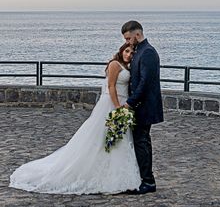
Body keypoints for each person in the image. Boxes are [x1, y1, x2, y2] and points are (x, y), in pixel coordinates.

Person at [9, 44, 140, 194]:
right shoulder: (114, 64)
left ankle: (117, 174)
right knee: (100, 136)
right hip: (112, 104)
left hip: (123, 103)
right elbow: (110, 87)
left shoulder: (126, 67)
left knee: (117, 139)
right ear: (121, 51)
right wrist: (117, 108)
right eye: (127, 51)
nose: (129, 54)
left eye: (132, 53)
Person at [121, 20, 163, 194]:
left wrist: (130, 102)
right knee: (140, 142)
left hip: (144, 107)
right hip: (140, 105)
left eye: (129, 38)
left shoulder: (148, 53)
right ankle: (141, 178)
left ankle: (148, 181)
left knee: (142, 142)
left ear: (137, 35)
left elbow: (145, 82)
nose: (128, 43)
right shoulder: (140, 51)